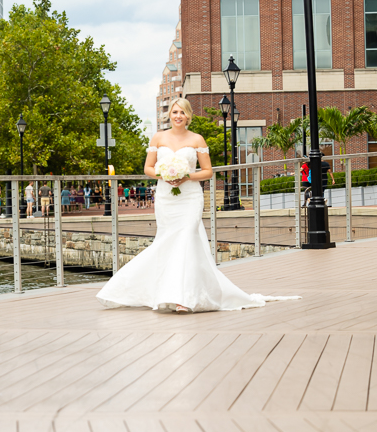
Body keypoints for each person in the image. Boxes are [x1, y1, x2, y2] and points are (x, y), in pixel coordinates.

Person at [97, 99, 299, 313]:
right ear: (169, 115)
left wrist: (186, 176)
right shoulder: (158, 137)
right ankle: (148, 291)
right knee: (166, 243)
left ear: (188, 116)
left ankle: (184, 298)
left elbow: (208, 171)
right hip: (166, 198)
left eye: (182, 112)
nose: (177, 116)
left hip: (190, 197)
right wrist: (164, 174)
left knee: (186, 241)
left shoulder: (197, 139)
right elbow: (147, 168)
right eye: (174, 112)